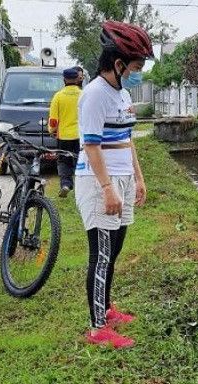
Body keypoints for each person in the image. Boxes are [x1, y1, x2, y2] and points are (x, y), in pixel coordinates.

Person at [75, 21, 153, 349]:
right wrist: (107, 188)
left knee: (115, 249)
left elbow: (127, 139)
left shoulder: (122, 93)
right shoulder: (94, 94)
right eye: (135, 68)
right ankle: (97, 327)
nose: (137, 74)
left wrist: (138, 177)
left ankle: (106, 308)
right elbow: (91, 146)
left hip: (121, 178)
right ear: (119, 64)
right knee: (102, 254)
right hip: (98, 181)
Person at [48, 67, 82, 197]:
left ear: (64, 80)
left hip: (64, 137)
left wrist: (52, 131)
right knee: (80, 161)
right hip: (81, 136)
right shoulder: (83, 94)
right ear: (77, 79)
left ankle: (66, 184)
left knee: (63, 161)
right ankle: (81, 187)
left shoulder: (58, 96)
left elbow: (53, 121)